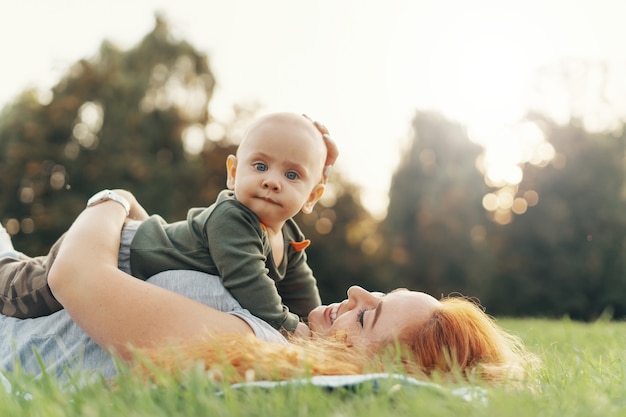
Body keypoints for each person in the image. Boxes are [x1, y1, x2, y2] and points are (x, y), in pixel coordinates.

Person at [0, 190, 538, 386]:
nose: (353, 294)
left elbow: (74, 276)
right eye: (376, 294)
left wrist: (110, 201)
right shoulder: (271, 319)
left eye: (367, 317)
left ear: (367, 367)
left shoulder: (249, 342)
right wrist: (141, 225)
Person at [0, 112, 339, 338]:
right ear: (234, 172)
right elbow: (248, 280)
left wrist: (318, 324)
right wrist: (289, 328)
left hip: (128, 257)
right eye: (260, 166)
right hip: (117, 247)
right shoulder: (233, 218)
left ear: (313, 195)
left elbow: (301, 289)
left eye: (292, 174)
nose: (272, 181)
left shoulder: (291, 239)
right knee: (27, 292)